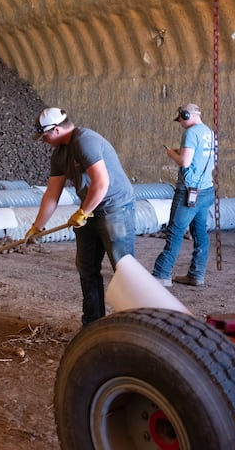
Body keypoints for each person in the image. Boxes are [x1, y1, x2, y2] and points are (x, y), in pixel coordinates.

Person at [26, 107, 136, 326]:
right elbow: (52, 193)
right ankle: (93, 324)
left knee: (124, 270)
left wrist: (83, 212)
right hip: (90, 209)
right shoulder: (59, 154)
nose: (43, 140)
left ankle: (134, 325)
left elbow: (101, 183)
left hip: (115, 208)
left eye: (45, 136)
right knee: (86, 268)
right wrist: (37, 226)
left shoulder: (85, 140)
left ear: (56, 130)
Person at [152, 103, 215, 287]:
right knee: (199, 232)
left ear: (186, 116)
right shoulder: (209, 133)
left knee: (174, 231)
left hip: (189, 190)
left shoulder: (191, 133)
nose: (180, 123)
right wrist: (182, 152)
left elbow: (185, 162)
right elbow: (202, 157)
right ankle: (196, 274)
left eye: (180, 119)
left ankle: (161, 274)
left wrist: (172, 153)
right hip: (206, 190)